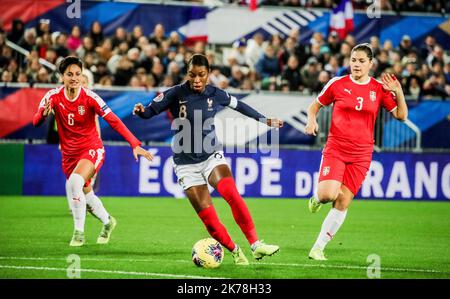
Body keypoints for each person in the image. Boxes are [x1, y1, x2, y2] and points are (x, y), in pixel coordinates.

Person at [133, 54, 283, 265]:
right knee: (209, 220)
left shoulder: (216, 93)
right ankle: (235, 250)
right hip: (186, 165)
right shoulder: (175, 93)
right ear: (187, 73)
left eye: (201, 75)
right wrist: (141, 111)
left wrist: (265, 120)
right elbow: (151, 110)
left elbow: (240, 106)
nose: (196, 79)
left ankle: (256, 244)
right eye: (192, 75)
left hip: (211, 155)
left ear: (208, 74)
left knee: (232, 193)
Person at [33, 56, 153, 247]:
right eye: (69, 74)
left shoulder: (90, 97)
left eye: (78, 74)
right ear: (61, 76)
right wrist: (42, 115)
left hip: (92, 149)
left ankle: (78, 233)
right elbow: (35, 121)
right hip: (69, 156)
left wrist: (134, 143)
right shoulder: (52, 96)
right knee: (87, 197)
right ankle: (108, 222)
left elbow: (114, 120)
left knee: (74, 182)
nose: (74, 78)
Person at [304, 43, 408, 260]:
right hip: (336, 148)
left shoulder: (378, 89)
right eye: (353, 60)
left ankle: (318, 248)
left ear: (371, 63)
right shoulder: (338, 84)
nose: (356, 64)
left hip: (361, 154)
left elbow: (401, 115)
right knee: (327, 195)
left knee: (342, 202)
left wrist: (398, 91)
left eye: (361, 61)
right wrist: (311, 121)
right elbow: (314, 106)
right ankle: (316, 198)